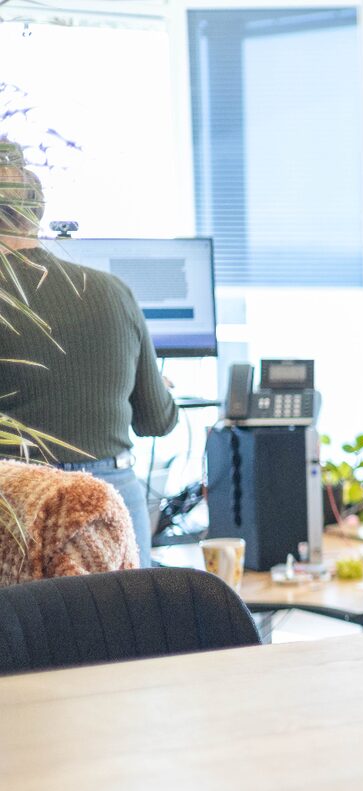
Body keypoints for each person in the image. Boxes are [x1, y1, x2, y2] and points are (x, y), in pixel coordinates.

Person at [0, 142, 179, 567]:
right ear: (36, 212)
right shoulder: (113, 291)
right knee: (127, 630)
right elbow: (157, 420)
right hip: (113, 501)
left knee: (25, 635)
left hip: (21, 504)